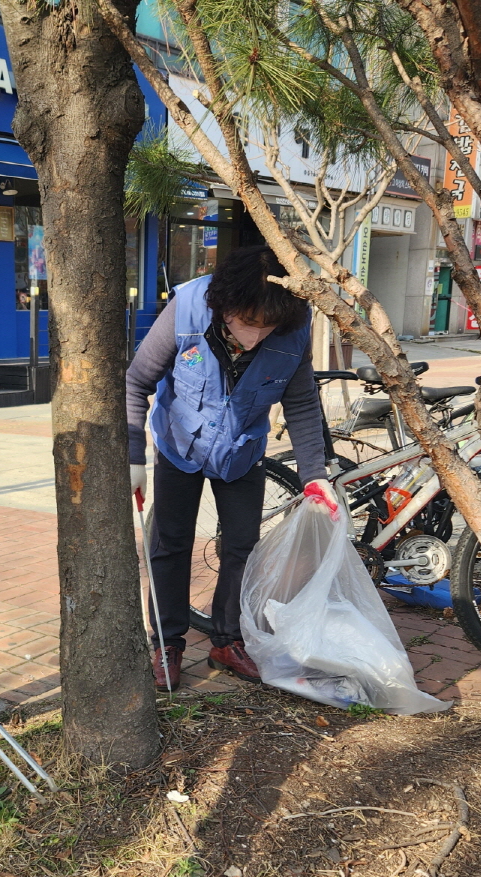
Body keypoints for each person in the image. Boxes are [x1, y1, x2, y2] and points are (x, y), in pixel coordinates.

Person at [127, 244, 337, 690]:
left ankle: (227, 641)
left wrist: (314, 474)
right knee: (170, 544)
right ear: (225, 307)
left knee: (242, 547)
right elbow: (136, 382)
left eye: (268, 328)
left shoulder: (293, 329)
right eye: (247, 323)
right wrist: (132, 455)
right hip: (179, 447)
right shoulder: (186, 309)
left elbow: (300, 403)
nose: (255, 337)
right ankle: (167, 642)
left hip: (242, 451)